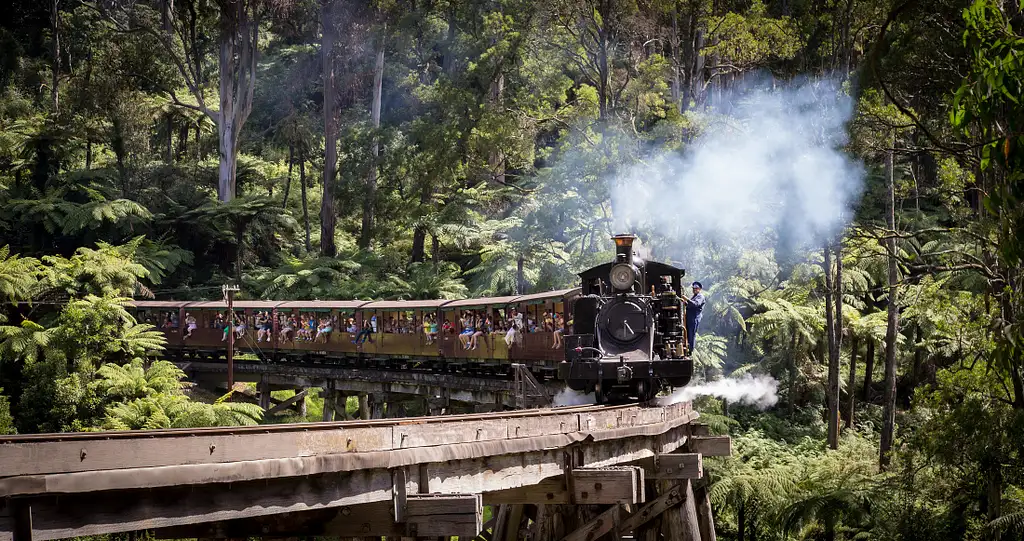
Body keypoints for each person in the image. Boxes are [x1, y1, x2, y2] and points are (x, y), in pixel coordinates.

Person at [680, 281, 706, 354]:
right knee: (687, 333)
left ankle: (690, 350)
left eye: (696, 288)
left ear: (699, 289)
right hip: (689, 317)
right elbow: (690, 305)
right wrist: (684, 302)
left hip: (694, 317)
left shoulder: (700, 296)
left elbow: (695, 304)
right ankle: (687, 347)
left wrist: (686, 299)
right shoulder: (694, 296)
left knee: (692, 334)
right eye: (693, 289)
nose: (694, 290)